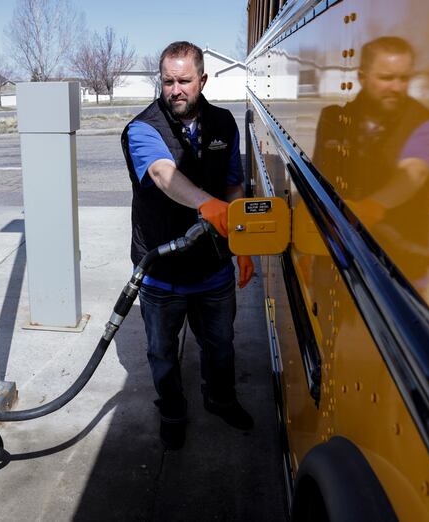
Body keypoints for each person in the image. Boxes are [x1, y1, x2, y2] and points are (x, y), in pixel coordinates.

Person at [120, 41, 255, 450]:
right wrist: (204, 202)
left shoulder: (222, 123)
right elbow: (162, 174)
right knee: (162, 351)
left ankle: (219, 398)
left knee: (220, 344)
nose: (175, 89)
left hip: (213, 267)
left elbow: (234, 182)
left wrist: (242, 241)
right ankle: (173, 409)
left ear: (202, 80)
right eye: (167, 81)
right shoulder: (143, 128)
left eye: (183, 81)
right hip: (161, 272)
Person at [313, 36, 429, 281]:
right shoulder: (333, 119)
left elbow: (414, 172)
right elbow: (318, 181)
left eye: (404, 78)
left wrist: (371, 208)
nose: (397, 87)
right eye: (387, 78)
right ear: (362, 77)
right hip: (335, 258)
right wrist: (307, 250)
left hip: (401, 270)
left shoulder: (427, 124)